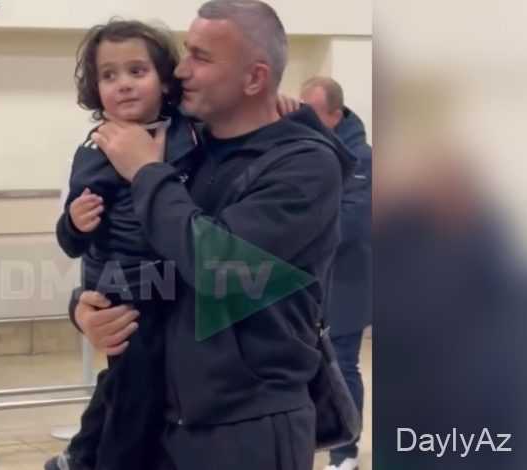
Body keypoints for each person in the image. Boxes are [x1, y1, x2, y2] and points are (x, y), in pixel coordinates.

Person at [69, 1, 356, 469]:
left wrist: (146, 172)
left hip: (247, 427)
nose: (180, 69)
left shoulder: (304, 166)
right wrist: (87, 308)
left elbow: (216, 264)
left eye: (200, 57)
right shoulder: (187, 149)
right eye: (185, 52)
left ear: (254, 79)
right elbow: (134, 248)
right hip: (162, 416)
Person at [48, 19, 201, 470]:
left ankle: (79, 458)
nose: (124, 84)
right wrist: (75, 223)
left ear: (165, 79)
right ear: (95, 88)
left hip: (179, 283)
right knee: (134, 396)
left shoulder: (188, 132)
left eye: (138, 71)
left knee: (124, 386)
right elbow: (70, 242)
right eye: (109, 75)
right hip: (128, 291)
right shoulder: (94, 150)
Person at [300, 76, 371, 470]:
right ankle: (315, 441)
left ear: (335, 113)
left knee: (343, 364)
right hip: (311, 281)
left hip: (347, 281)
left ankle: (346, 451)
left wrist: (299, 229)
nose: (305, 119)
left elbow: (353, 223)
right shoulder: (311, 148)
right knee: (309, 365)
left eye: (313, 112)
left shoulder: (363, 159)